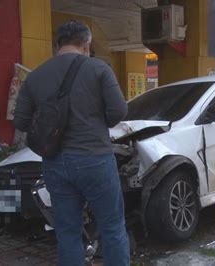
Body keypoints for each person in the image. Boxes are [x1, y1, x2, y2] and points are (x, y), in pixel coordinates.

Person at [13, 21, 129, 265]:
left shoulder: (35, 77)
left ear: (57, 45)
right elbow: (118, 110)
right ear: (86, 44)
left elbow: (21, 122)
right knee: (112, 228)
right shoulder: (99, 69)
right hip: (94, 158)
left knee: (67, 233)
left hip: (55, 162)